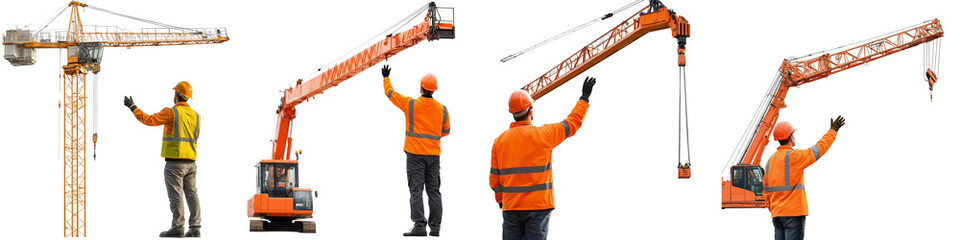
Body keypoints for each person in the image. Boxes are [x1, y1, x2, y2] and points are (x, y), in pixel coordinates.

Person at [490, 77, 596, 240]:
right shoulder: (545, 135)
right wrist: (584, 98)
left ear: (512, 114)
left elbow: (494, 180)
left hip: (511, 207)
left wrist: (501, 201)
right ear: (531, 112)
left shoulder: (499, 141)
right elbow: (572, 123)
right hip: (538, 208)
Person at [124, 81, 202, 238]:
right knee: (192, 195)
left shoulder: (172, 112)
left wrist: (133, 107)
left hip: (174, 163)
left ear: (177, 95)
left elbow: (149, 120)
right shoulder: (196, 116)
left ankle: (178, 227)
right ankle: (195, 228)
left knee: (176, 195)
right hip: (191, 163)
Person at [381, 65, 451, 237]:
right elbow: (446, 131)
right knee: (434, 190)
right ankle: (435, 228)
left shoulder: (410, 105)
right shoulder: (442, 110)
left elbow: (390, 94)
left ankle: (420, 226)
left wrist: (386, 78)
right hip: (434, 156)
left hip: (414, 156)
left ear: (421, 88)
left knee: (416, 190)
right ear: (434, 90)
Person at [763, 116, 846, 240]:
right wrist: (833, 131)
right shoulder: (794, 157)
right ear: (791, 137)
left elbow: (765, 191)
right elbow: (819, 149)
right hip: (793, 214)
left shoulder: (770, 161)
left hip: (777, 216)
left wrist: (774, 210)